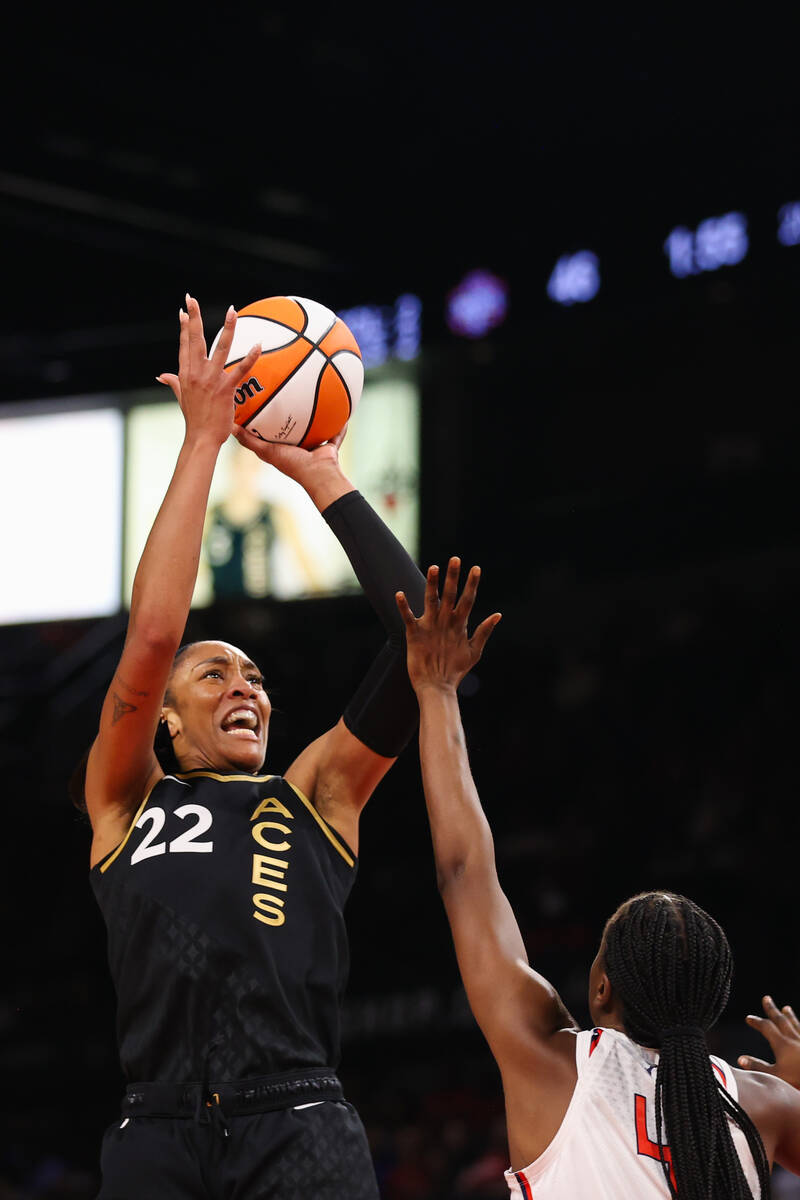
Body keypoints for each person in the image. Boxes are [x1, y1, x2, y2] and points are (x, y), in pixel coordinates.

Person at [73, 295, 427, 1200]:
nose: (245, 687)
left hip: (297, 1120)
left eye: (257, 678)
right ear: (167, 720)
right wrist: (202, 443)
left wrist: (323, 481)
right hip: (154, 1128)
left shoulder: (314, 793)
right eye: (217, 674)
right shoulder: (122, 800)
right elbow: (151, 641)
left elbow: (420, 639)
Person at [395, 557, 800, 1200]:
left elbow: (464, 871)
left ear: (602, 986)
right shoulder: (765, 1105)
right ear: (714, 998)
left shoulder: (551, 1065)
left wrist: (437, 692)